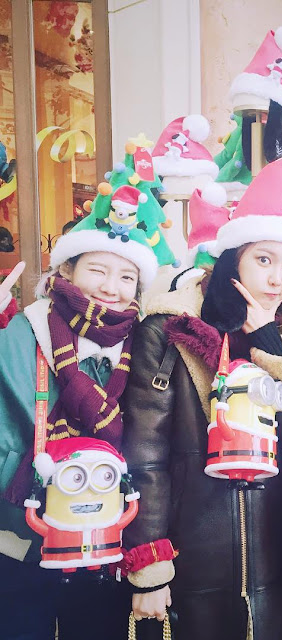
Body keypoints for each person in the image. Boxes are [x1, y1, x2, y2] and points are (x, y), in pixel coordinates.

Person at [120, 158, 282, 640]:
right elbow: (145, 455)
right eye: (264, 260)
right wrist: (150, 565)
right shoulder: (171, 330)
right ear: (233, 258)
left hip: (271, 559)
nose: (278, 280)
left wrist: (272, 346)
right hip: (191, 558)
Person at [0, 190, 162, 640]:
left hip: (105, 540)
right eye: (97, 270)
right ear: (67, 270)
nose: (111, 287)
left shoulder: (143, 345)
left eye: (126, 277)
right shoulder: (22, 333)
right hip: (22, 539)